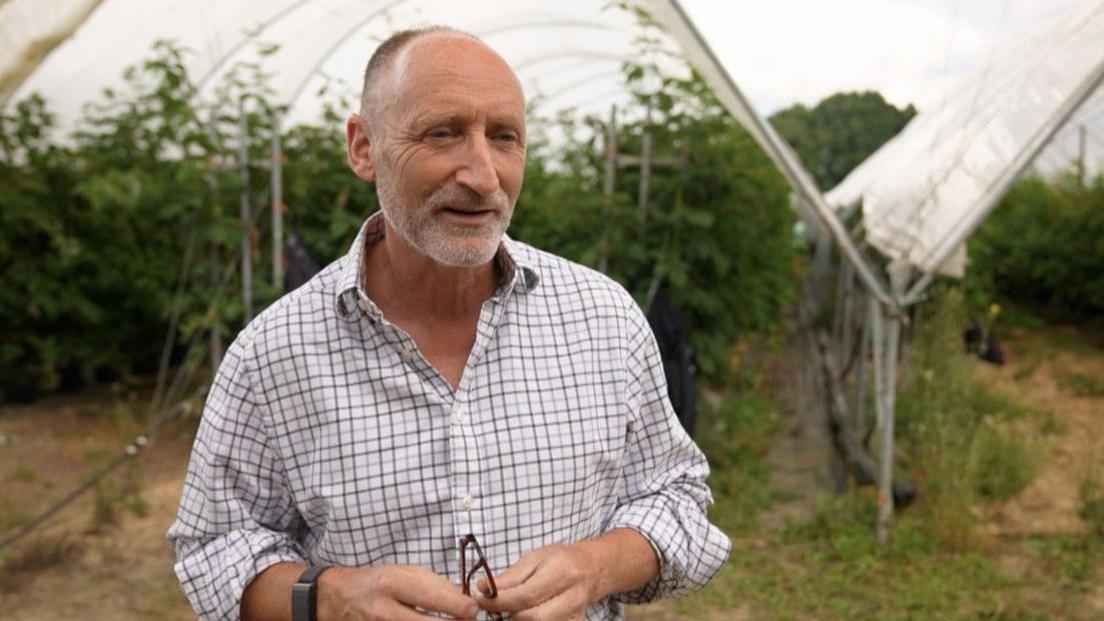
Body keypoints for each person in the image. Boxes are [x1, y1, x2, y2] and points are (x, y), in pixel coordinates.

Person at [168, 26, 730, 621]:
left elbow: (676, 497)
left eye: (505, 137)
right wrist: (331, 597)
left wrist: (596, 567)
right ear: (363, 147)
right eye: (442, 133)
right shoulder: (273, 354)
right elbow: (215, 548)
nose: (483, 176)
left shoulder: (604, 320)